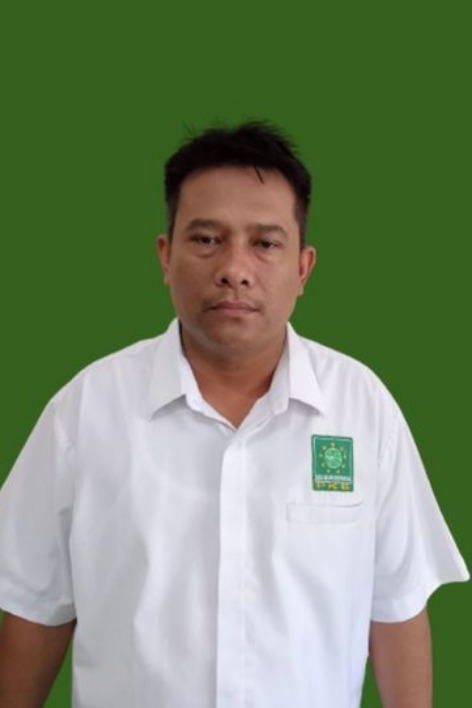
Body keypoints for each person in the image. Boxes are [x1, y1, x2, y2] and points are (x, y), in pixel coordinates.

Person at [0, 121, 468, 708]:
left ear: (304, 267)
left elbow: (397, 608)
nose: (234, 268)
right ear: (165, 256)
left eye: (266, 243)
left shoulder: (362, 408)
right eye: (206, 239)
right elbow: (33, 610)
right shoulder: (86, 410)